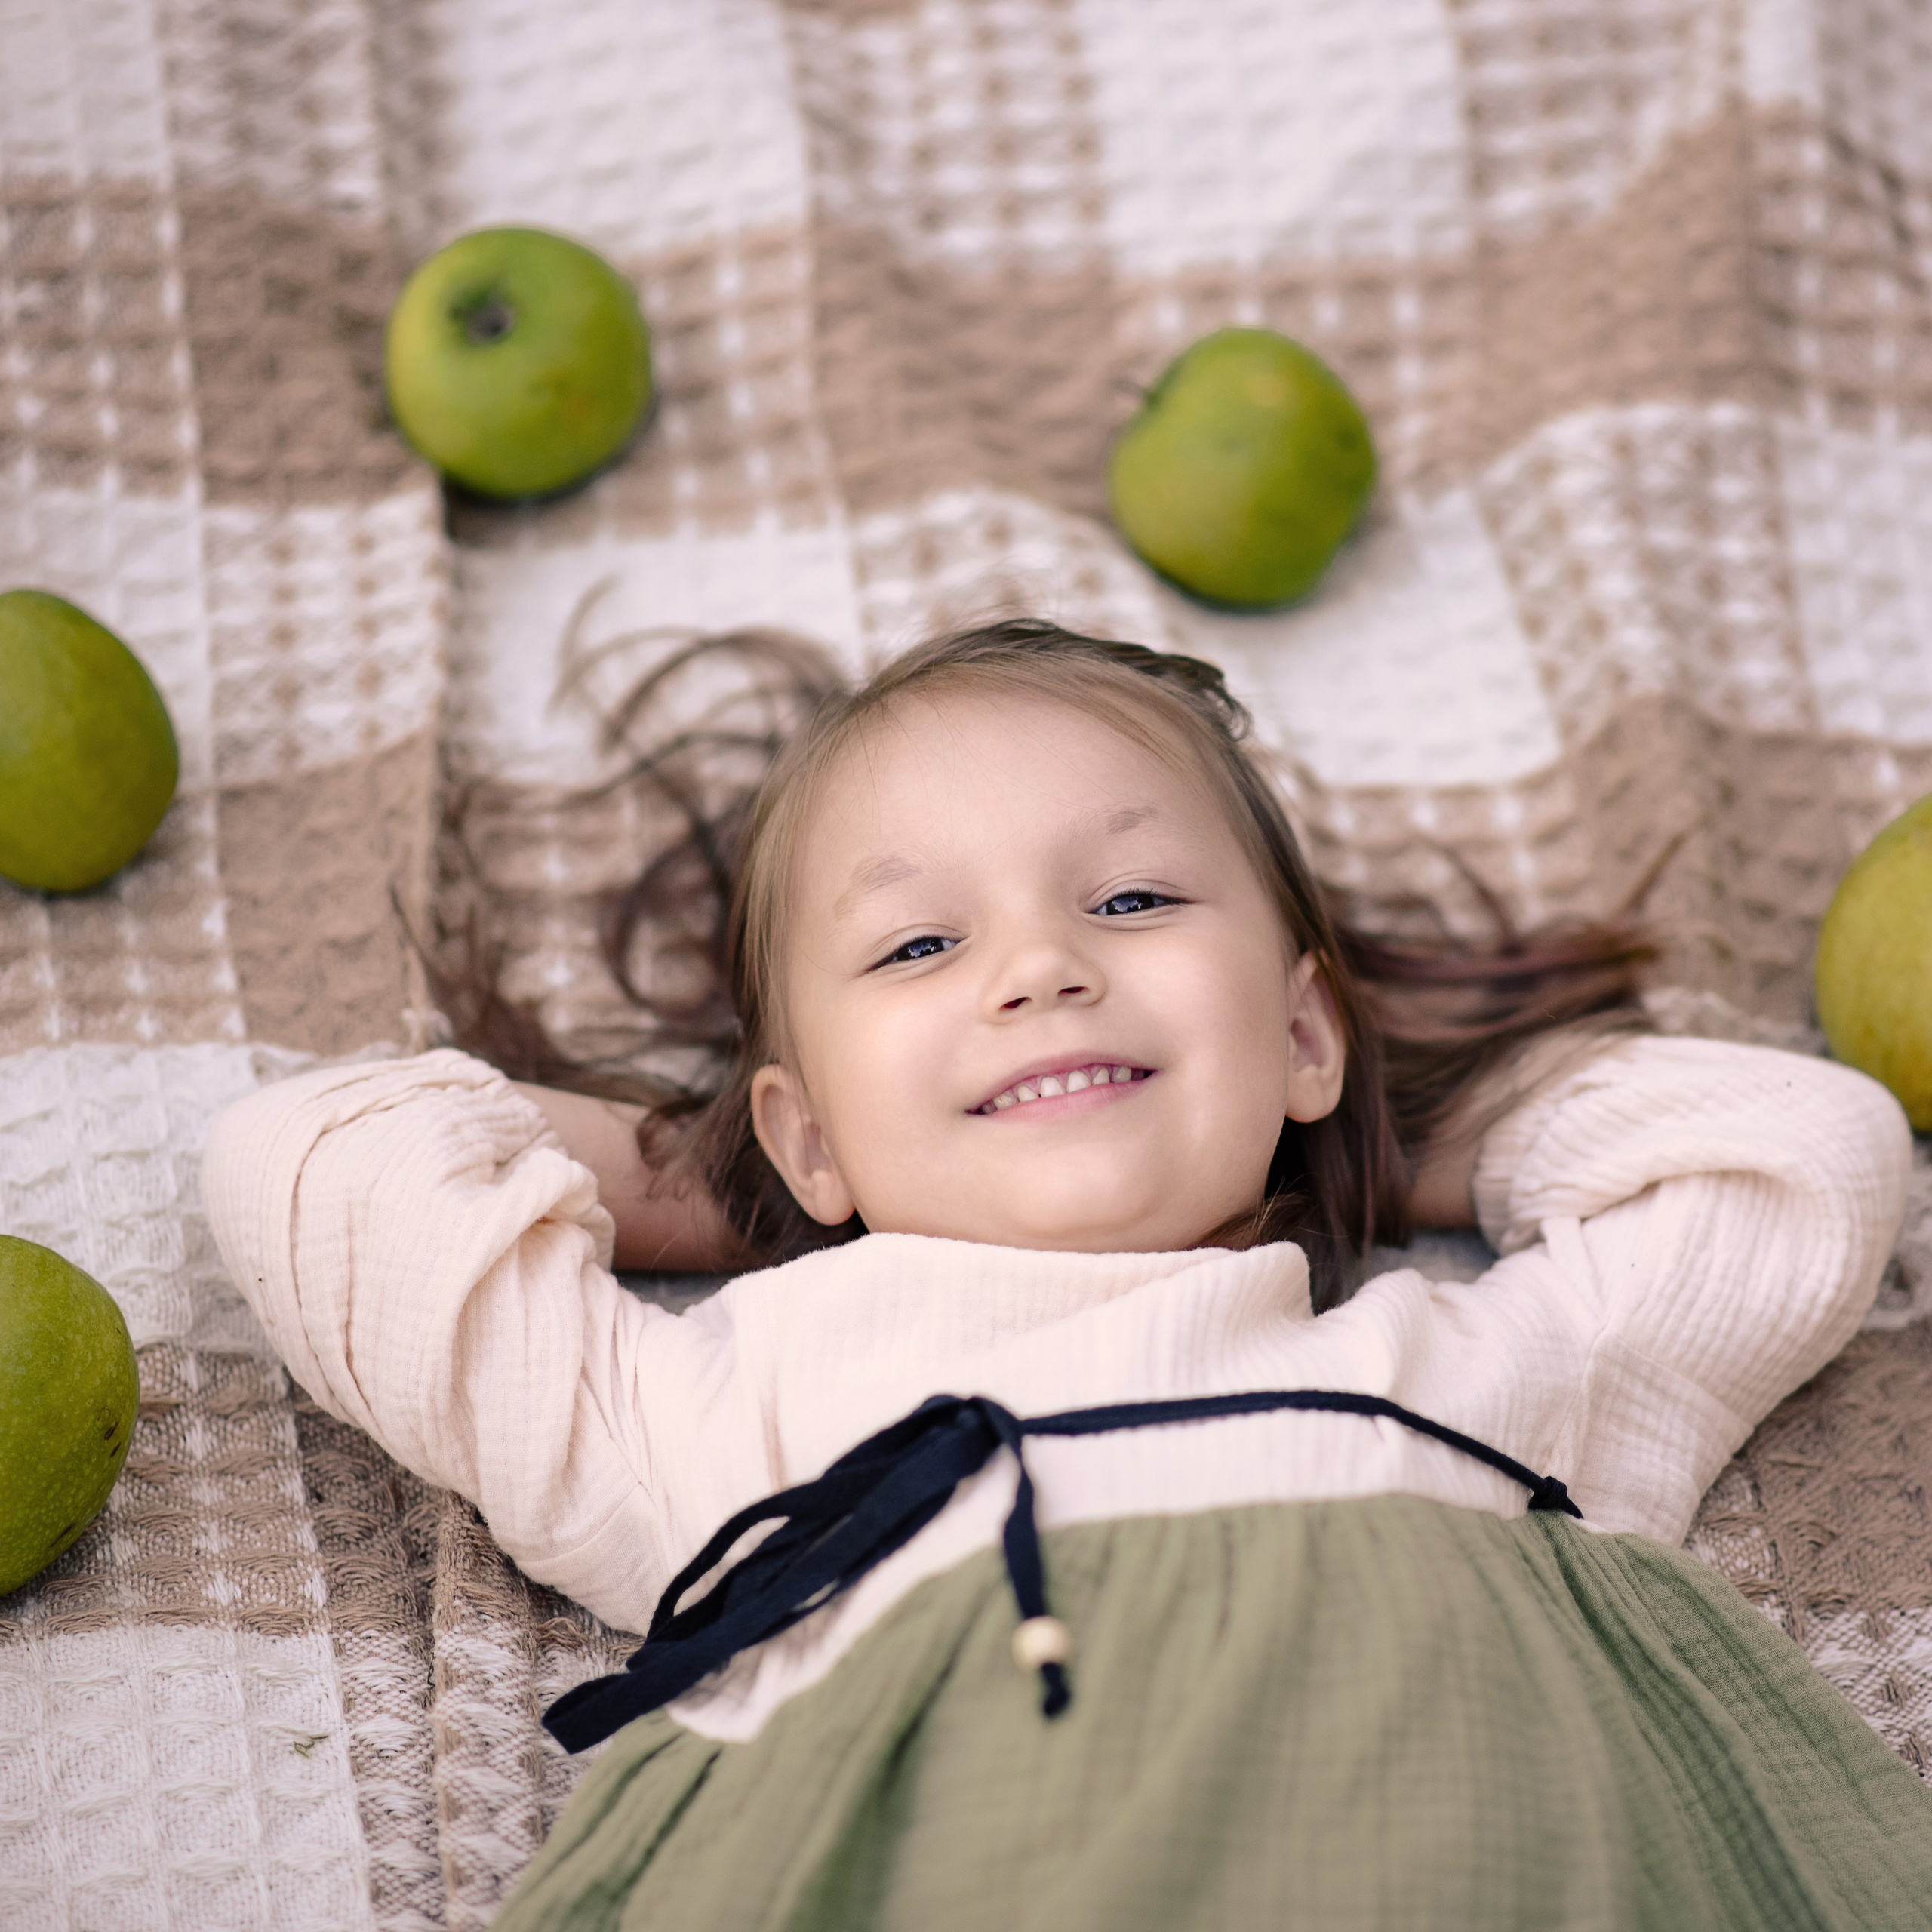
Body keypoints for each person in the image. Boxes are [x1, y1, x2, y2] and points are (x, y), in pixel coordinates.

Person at [203, 621, 1931, 1930]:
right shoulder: (745, 1403)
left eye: (1128, 897)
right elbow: (312, 1169)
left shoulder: (1470, 1376)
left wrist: (1350, 1129)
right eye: (918, 942)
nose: (1037, 966)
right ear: (803, 1131)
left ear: (1305, 1022)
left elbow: (1794, 1154)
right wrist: (752, 1190)